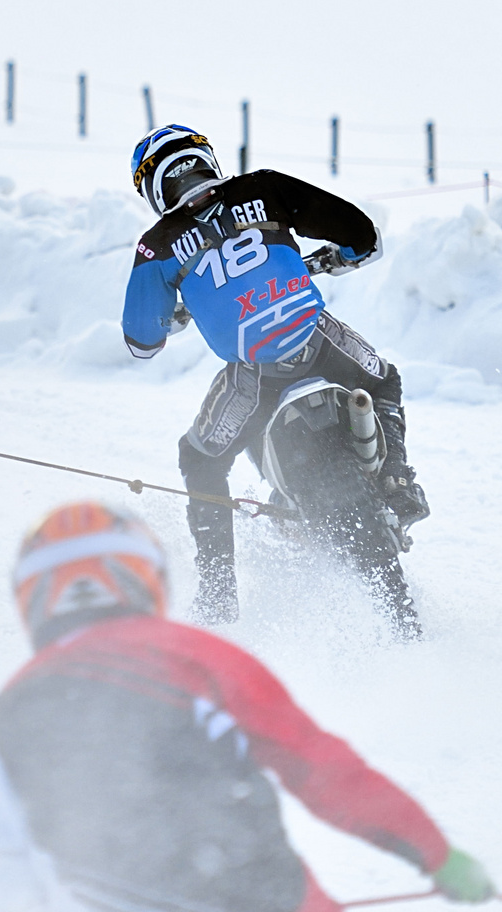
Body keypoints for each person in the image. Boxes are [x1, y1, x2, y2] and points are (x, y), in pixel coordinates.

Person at [0, 502, 492, 912]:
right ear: (144, 580)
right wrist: (435, 854)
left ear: (33, 598)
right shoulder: (196, 657)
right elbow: (324, 771)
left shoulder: (5, 714)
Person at [120, 124, 426, 624]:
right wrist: (337, 257)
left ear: (152, 186)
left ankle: (219, 594)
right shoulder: (264, 187)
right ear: (207, 159)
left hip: (255, 377)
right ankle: (396, 480)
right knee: (383, 379)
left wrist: (176, 313)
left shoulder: (157, 247)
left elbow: (141, 339)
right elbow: (362, 237)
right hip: (319, 343)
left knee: (199, 459)